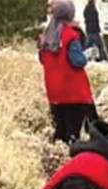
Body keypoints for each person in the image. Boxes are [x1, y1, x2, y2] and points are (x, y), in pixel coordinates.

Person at [38, 0, 98, 144]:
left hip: (54, 94)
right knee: (74, 133)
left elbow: (42, 59)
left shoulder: (45, 36)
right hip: (74, 94)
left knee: (59, 132)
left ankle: (57, 156)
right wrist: (86, 56)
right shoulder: (71, 35)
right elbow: (78, 61)